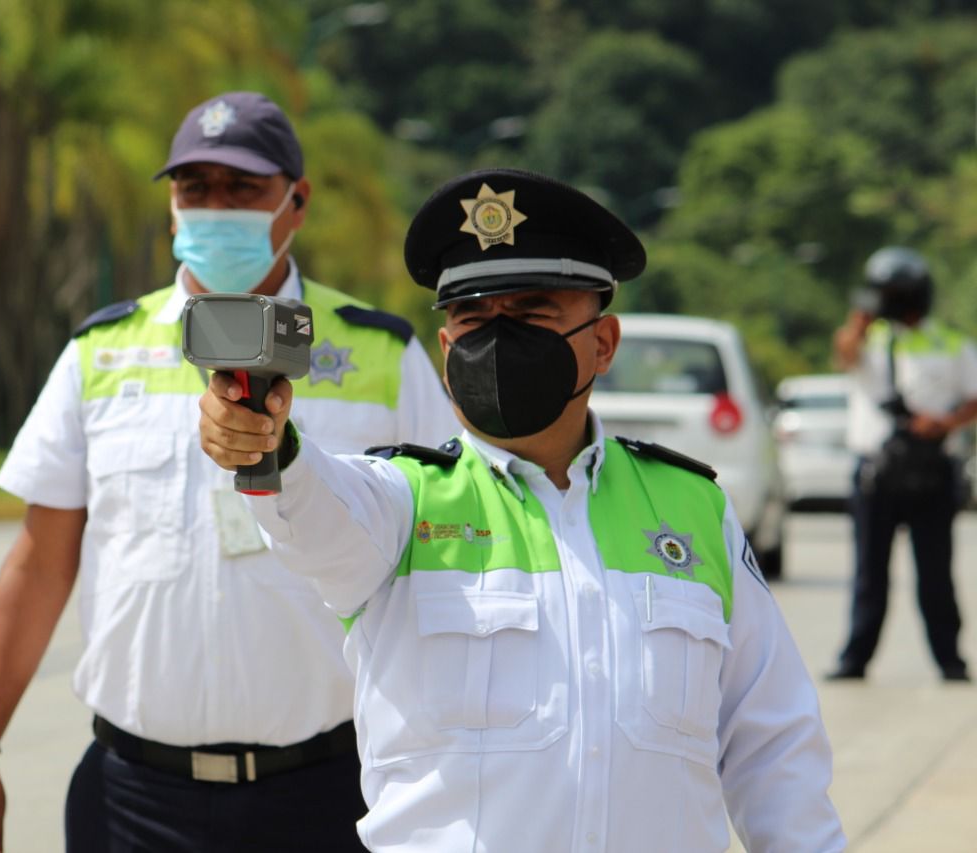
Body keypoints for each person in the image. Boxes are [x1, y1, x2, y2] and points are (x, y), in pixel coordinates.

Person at [198, 168, 847, 851]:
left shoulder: (693, 507)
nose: (498, 338)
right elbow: (313, 514)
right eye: (473, 318)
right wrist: (267, 445)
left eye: (533, 312)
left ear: (603, 343)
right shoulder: (402, 499)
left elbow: (773, 747)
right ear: (446, 352)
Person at [0, 90, 459, 853]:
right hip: (134, 799)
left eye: (242, 188)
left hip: (331, 792)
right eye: (194, 188)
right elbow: (41, 561)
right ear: (172, 208)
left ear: (296, 201)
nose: (215, 207)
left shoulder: (381, 353)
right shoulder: (100, 352)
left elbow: (448, 550)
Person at [826, 246, 977, 682]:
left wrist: (944, 423)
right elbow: (844, 356)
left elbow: (974, 397)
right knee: (869, 574)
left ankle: (950, 660)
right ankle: (855, 659)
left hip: (931, 471)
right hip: (876, 474)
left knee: (935, 574)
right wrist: (861, 318)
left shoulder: (949, 341)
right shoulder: (867, 338)